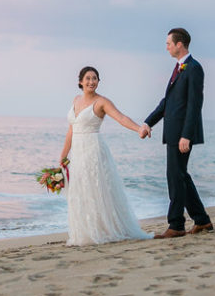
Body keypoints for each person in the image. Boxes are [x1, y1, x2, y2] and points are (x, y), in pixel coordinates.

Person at [60, 66, 152, 245]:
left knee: (96, 190)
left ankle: (103, 230)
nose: (91, 82)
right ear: (80, 81)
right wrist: (63, 155)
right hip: (77, 152)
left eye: (95, 78)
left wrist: (139, 128)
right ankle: (85, 232)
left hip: (93, 150)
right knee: (81, 191)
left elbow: (121, 118)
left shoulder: (102, 102)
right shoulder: (76, 100)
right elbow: (71, 129)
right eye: (87, 78)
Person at [139, 28, 214, 238]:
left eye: (168, 43)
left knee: (175, 177)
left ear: (179, 44)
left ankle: (176, 225)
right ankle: (202, 220)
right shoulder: (177, 68)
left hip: (182, 134)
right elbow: (167, 102)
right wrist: (148, 122)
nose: (166, 47)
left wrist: (186, 135)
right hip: (173, 132)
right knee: (181, 176)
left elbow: (194, 105)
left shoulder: (194, 68)